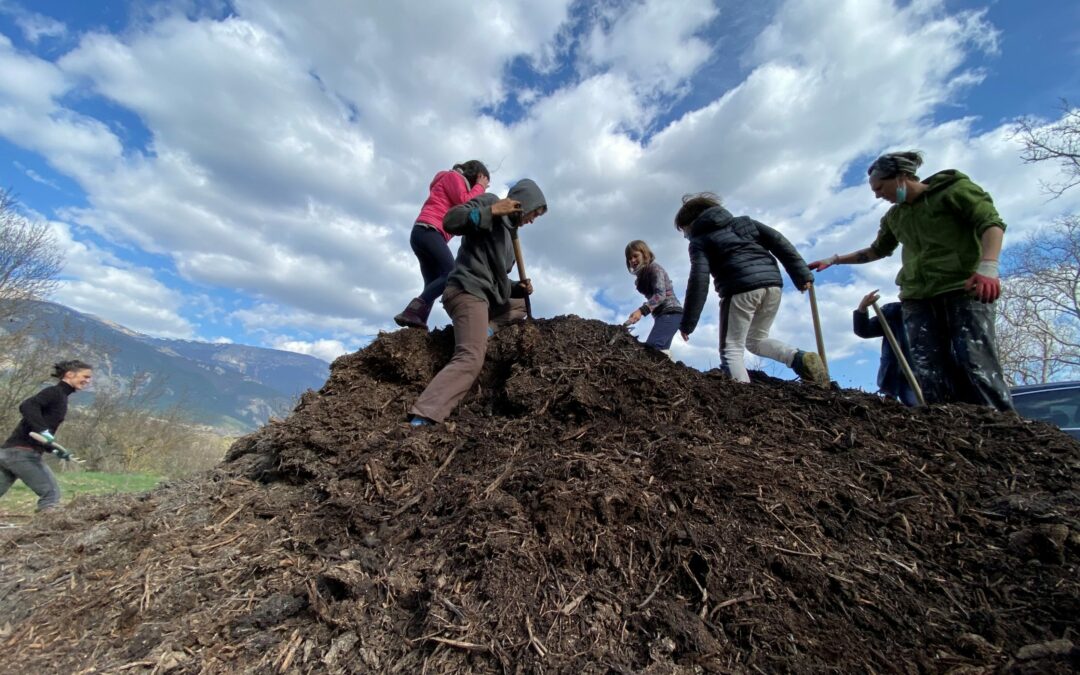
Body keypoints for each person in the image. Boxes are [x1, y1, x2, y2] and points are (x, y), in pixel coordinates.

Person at [808, 150, 1013, 411]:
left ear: (903, 177)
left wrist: (988, 268)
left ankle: (1002, 426)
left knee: (974, 362)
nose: (878, 195)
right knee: (927, 368)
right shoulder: (895, 216)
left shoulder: (954, 191)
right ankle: (945, 427)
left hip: (961, 288)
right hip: (917, 296)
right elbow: (876, 251)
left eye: (881, 187)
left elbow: (991, 223)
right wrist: (834, 259)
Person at [409, 179, 547, 425]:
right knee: (471, 357)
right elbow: (451, 220)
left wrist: (518, 287)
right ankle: (424, 414)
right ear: (524, 203)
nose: (533, 219)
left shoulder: (510, 236)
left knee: (521, 305)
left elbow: (498, 281)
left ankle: (484, 329)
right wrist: (491, 211)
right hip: (466, 290)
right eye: (534, 212)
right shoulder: (491, 201)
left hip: (486, 295)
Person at [674, 192, 828, 385]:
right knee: (756, 340)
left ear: (691, 223)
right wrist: (802, 275)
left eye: (685, 230)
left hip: (739, 289)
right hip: (772, 285)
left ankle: (742, 395)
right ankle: (798, 358)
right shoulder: (744, 223)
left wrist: (688, 322)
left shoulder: (700, 241)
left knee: (731, 349)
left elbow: (698, 280)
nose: (686, 235)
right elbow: (779, 241)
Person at [395, 160, 491, 329]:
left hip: (423, 233)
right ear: (476, 176)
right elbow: (465, 202)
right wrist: (480, 187)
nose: (483, 188)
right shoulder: (454, 177)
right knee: (451, 272)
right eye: (483, 181)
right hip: (429, 231)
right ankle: (412, 312)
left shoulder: (448, 180)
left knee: (432, 282)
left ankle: (417, 322)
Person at [1, 360, 92, 511]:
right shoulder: (55, 393)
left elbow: (39, 434)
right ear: (70, 374)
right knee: (51, 495)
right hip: (23, 454)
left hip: (8, 453)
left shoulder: (61, 396)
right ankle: (44, 533)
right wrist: (43, 430)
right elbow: (27, 405)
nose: (88, 381)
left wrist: (54, 449)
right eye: (86, 376)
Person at [852, 290, 918, 406]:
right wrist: (862, 308)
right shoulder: (893, 313)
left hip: (925, 375)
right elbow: (864, 330)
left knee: (923, 408)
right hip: (896, 373)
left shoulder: (936, 312)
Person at [623, 240, 683, 354]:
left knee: (652, 348)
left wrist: (641, 311)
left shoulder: (655, 269)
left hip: (670, 312)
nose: (632, 260)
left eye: (635, 256)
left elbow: (660, 295)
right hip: (662, 316)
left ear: (645, 254)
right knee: (660, 352)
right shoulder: (641, 278)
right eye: (629, 258)